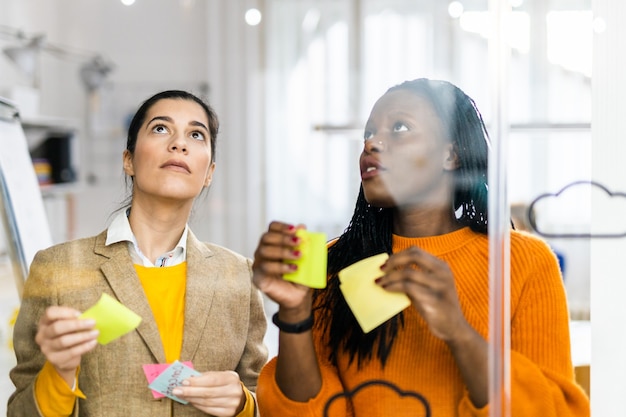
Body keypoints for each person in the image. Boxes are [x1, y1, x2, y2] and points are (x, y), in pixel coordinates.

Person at [251, 78, 590, 416]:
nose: (372, 144)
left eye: (399, 127)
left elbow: (554, 411)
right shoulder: (333, 263)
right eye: (368, 134)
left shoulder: (522, 261)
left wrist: (458, 331)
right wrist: (295, 316)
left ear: (451, 155)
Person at [8, 90, 268, 417]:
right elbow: (20, 411)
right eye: (161, 129)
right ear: (128, 160)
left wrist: (245, 404)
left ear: (209, 173)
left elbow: (265, 399)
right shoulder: (57, 268)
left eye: (196, 134)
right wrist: (59, 372)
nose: (179, 143)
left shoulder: (240, 277)